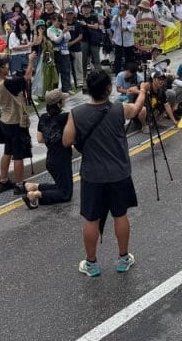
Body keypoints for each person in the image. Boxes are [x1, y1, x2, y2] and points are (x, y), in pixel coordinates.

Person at [62, 70, 145, 277]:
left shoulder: (77, 113)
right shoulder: (119, 109)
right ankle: (123, 258)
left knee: (91, 219)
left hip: (92, 175)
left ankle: (91, 263)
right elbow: (136, 110)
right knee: (120, 215)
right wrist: (143, 91)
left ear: (88, 90)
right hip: (119, 173)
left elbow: (66, 141)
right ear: (109, 88)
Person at [0, 53, 37, 193]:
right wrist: (31, 61)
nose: (7, 66)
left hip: (5, 120)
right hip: (16, 122)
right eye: (5, 65)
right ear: (0, 69)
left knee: (7, 151)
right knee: (18, 154)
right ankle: (19, 184)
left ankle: (3, 181)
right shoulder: (8, 83)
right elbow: (27, 78)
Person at [21, 89, 72, 209]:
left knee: (61, 186)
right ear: (59, 103)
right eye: (63, 99)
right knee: (65, 193)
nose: (64, 101)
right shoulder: (65, 117)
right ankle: (35, 195)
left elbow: (39, 139)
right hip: (62, 159)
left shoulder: (43, 117)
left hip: (50, 159)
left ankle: (32, 186)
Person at [111, 3, 136, 74]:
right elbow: (113, 24)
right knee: (118, 57)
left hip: (128, 42)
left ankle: (129, 72)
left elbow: (134, 26)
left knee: (129, 58)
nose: (121, 9)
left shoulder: (131, 17)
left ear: (126, 9)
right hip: (118, 41)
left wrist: (126, 29)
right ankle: (117, 73)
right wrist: (118, 16)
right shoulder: (116, 16)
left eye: (122, 8)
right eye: (119, 8)